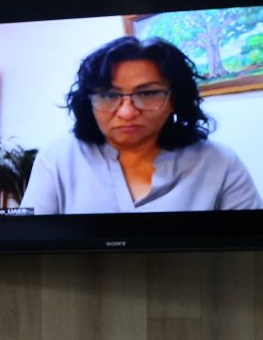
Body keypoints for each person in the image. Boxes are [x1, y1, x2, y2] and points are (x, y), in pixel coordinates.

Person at [21, 35, 260, 214]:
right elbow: (30, 242)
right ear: (88, 102)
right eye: (108, 95)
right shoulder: (57, 158)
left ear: (174, 99)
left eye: (148, 93)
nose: (126, 112)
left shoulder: (218, 162)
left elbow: (250, 249)